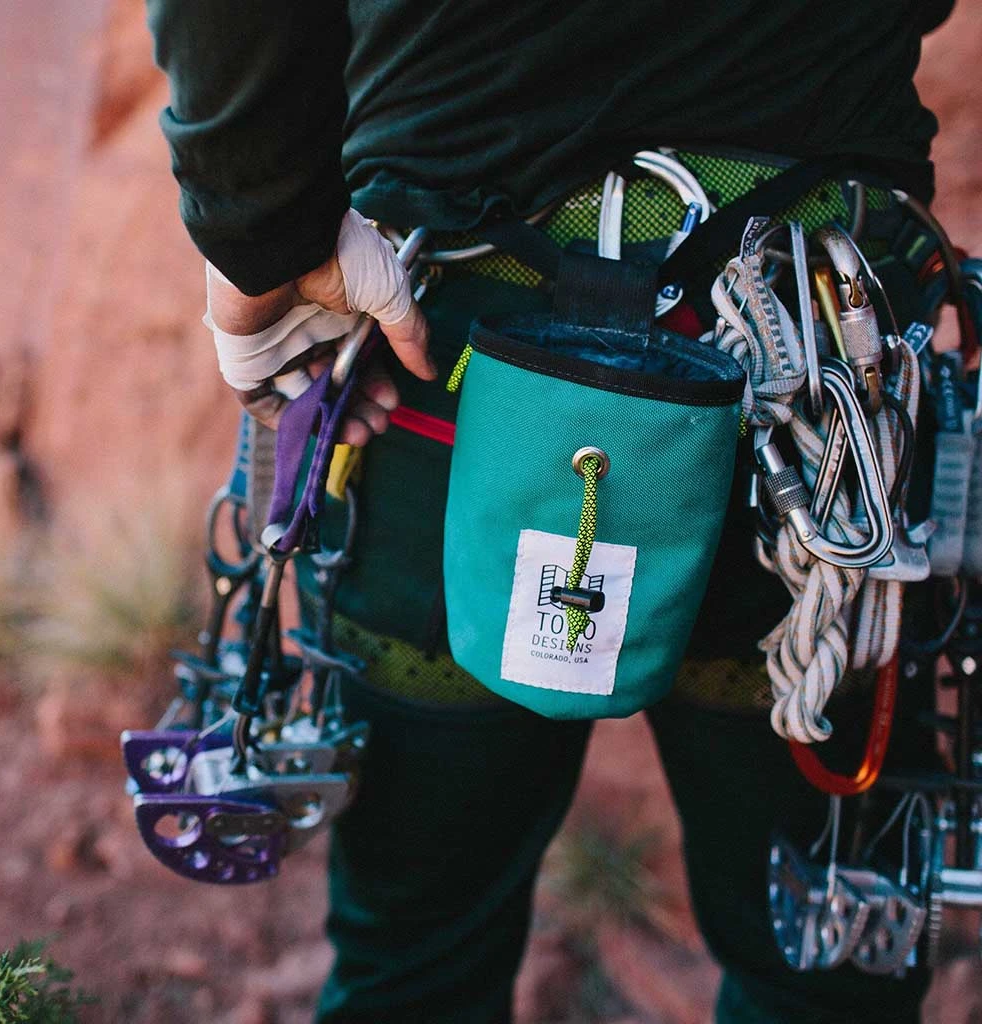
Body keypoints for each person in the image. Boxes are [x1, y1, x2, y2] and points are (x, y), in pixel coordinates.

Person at [145, 2, 956, 1021]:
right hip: (826, 385)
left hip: (446, 347)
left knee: (416, 960)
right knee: (824, 962)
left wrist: (262, 230)